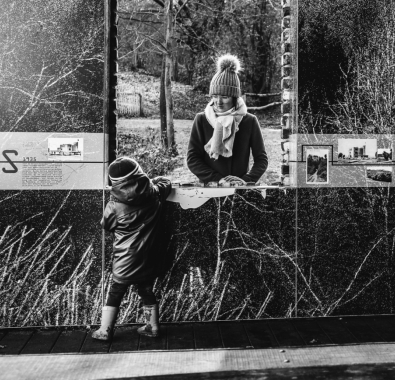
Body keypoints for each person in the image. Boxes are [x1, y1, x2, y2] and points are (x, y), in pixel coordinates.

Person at [92, 157, 172, 341]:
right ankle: (152, 327)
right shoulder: (155, 193)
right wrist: (151, 182)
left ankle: (105, 330)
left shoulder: (114, 205)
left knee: (116, 291)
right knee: (146, 290)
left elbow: (107, 225)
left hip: (125, 258)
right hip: (149, 256)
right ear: (139, 173)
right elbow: (166, 182)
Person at [187, 55, 268, 186]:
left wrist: (246, 180)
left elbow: (261, 159)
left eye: (224, 97)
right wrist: (218, 179)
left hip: (239, 190)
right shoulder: (201, 120)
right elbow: (192, 159)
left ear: (235, 97)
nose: (218, 102)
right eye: (214, 96)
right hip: (210, 189)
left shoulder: (249, 121)